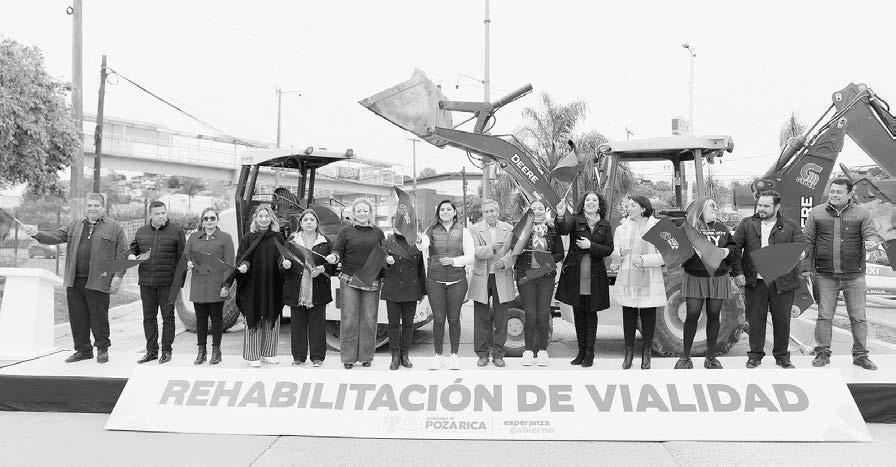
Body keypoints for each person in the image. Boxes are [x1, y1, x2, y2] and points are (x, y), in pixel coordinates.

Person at [25, 193, 129, 363]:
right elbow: (55, 237)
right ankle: (83, 350)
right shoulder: (74, 225)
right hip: (75, 279)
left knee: (98, 316)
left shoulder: (115, 227)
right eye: (90, 205)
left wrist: (118, 276)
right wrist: (36, 234)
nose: (92, 209)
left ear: (103, 207)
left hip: (99, 280)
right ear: (85, 207)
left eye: (96, 205)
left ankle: (102, 348)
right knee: (77, 317)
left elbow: (123, 253)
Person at [803, 178, 880, 370]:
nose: (834, 195)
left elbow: (870, 233)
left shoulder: (862, 213)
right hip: (825, 274)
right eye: (832, 191)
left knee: (858, 317)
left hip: (855, 275)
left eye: (839, 192)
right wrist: (806, 268)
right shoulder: (816, 212)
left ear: (849, 194)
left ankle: (860, 356)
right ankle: (822, 354)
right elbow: (808, 241)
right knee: (824, 316)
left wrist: (871, 242)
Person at [729, 190, 803, 369]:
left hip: (782, 281)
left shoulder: (791, 226)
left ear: (777, 207)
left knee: (782, 320)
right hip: (755, 281)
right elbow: (734, 249)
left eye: (766, 206)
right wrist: (737, 272)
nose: (761, 209)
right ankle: (755, 356)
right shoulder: (747, 224)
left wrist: (798, 254)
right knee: (755, 320)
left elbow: (801, 248)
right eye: (760, 205)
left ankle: (782, 357)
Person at [675, 197, 740, 370]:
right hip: (695, 276)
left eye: (716, 205)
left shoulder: (722, 228)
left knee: (714, 314)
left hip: (718, 277)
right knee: (692, 314)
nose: (716, 207)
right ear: (700, 209)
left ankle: (710, 357)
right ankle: (685, 356)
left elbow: (734, 248)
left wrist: (726, 251)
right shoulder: (687, 229)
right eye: (712, 205)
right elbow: (675, 249)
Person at [554, 192, 614, 368]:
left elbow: (608, 249)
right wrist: (560, 215)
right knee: (578, 315)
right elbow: (562, 230)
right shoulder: (575, 220)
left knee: (591, 314)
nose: (591, 202)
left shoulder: (605, 224)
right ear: (583, 203)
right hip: (575, 276)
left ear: (599, 205)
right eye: (588, 200)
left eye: (594, 200)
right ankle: (580, 352)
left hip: (595, 277)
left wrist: (591, 246)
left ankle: (589, 353)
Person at [328, 199, 386, 369]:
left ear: (370, 213)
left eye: (365, 211)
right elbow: (338, 250)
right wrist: (334, 257)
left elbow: (382, 255)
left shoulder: (378, 233)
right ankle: (348, 358)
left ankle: (366, 356)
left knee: (369, 318)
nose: (361, 214)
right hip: (349, 278)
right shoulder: (345, 231)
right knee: (349, 318)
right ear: (354, 213)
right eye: (358, 211)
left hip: (371, 279)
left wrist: (384, 276)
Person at [611, 196, 666, 370]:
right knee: (628, 317)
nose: (628, 208)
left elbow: (665, 255)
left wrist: (644, 260)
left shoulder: (657, 227)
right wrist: (619, 253)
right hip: (628, 278)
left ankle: (646, 354)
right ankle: (628, 354)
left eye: (632, 205)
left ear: (643, 209)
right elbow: (614, 252)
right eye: (628, 205)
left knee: (648, 317)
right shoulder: (621, 229)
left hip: (649, 277)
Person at [128, 201, 186, 364]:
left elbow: (183, 257)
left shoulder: (176, 231)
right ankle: (151, 351)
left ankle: (166, 351)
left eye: (163, 213)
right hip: (146, 283)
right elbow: (133, 249)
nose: (161, 216)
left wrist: (179, 283)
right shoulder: (141, 232)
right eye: (157, 213)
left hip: (168, 283)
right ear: (150, 215)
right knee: (149, 318)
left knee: (168, 317)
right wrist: (131, 255)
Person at [229, 205, 285, 367]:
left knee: (272, 313)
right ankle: (252, 355)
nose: (264, 219)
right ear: (256, 219)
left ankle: (269, 353)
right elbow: (242, 257)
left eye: (267, 216)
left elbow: (283, 257)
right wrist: (244, 266)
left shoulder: (278, 237)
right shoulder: (248, 238)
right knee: (253, 314)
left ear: (271, 219)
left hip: (272, 283)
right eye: (260, 216)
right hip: (252, 283)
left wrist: (284, 263)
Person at [421, 200, 474, 370]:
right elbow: (422, 245)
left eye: (448, 209)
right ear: (438, 213)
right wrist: (417, 238)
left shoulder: (463, 231)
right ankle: (438, 356)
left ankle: (454, 356)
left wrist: (453, 261)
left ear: (454, 212)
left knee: (454, 319)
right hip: (434, 281)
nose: (445, 211)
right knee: (438, 320)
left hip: (457, 281)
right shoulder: (430, 230)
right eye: (442, 209)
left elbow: (471, 256)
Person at [281, 209, 335, 367]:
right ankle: (298, 357)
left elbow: (332, 264)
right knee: (297, 325)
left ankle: (317, 357)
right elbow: (282, 259)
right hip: (296, 288)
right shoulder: (292, 241)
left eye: (312, 219)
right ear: (301, 223)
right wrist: (284, 264)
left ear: (317, 223)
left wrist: (322, 269)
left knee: (317, 324)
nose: (309, 222)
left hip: (318, 288)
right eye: (305, 220)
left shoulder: (325, 241)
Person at [513, 199, 564, 366]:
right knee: (530, 314)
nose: (537, 211)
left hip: (545, 275)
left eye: (540, 208)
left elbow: (560, 253)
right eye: (533, 208)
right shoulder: (521, 228)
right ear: (529, 211)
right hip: (526, 274)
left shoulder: (552, 229)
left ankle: (542, 350)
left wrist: (546, 261)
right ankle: (528, 351)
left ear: (545, 210)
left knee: (543, 314)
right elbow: (513, 249)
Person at [184, 207, 234, 365]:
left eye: (212, 218)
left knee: (216, 319)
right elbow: (186, 255)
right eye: (206, 218)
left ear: (217, 220)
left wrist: (226, 285)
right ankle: (201, 351)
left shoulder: (225, 238)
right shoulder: (194, 237)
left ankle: (216, 351)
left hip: (216, 284)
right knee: (200, 319)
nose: (209, 221)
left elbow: (229, 263)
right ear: (202, 221)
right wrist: (188, 262)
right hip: (198, 284)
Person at [469, 199, 515, 368]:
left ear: (498, 212)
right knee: (480, 318)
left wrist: (506, 261)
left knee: (501, 319)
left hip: (502, 276)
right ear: (483, 213)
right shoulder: (474, 229)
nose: (490, 214)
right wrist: (492, 248)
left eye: (492, 211)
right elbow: (475, 251)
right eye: (486, 211)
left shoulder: (509, 228)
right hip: (482, 276)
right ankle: (482, 354)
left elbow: (515, 250)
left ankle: (498, 355)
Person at [380, 217, 426, 370]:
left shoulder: (416, 242)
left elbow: (421, 268)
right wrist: (386, 261)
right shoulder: (386, 242)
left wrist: (422, 291)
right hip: (393, 287)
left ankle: (405, 355)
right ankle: (394, 356)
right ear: (392, 225)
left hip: (411, 288)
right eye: (396, 224)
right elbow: (380, 263)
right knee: (393, 324)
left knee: (408, 324)